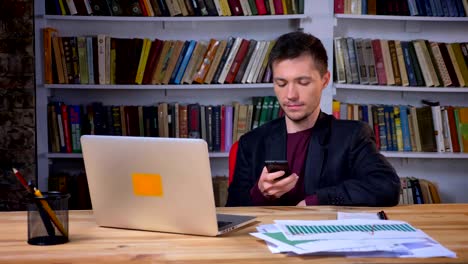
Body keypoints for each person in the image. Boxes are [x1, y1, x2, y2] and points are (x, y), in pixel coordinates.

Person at [226, 31, 401, 207]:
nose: (290, 95)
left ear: (325, 80)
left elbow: (387, 186)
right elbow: (231, 211)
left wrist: (318, 200)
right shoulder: (251, 143)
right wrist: (260, 193)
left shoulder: (352, 136)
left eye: (303, 82)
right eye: (281, 83)